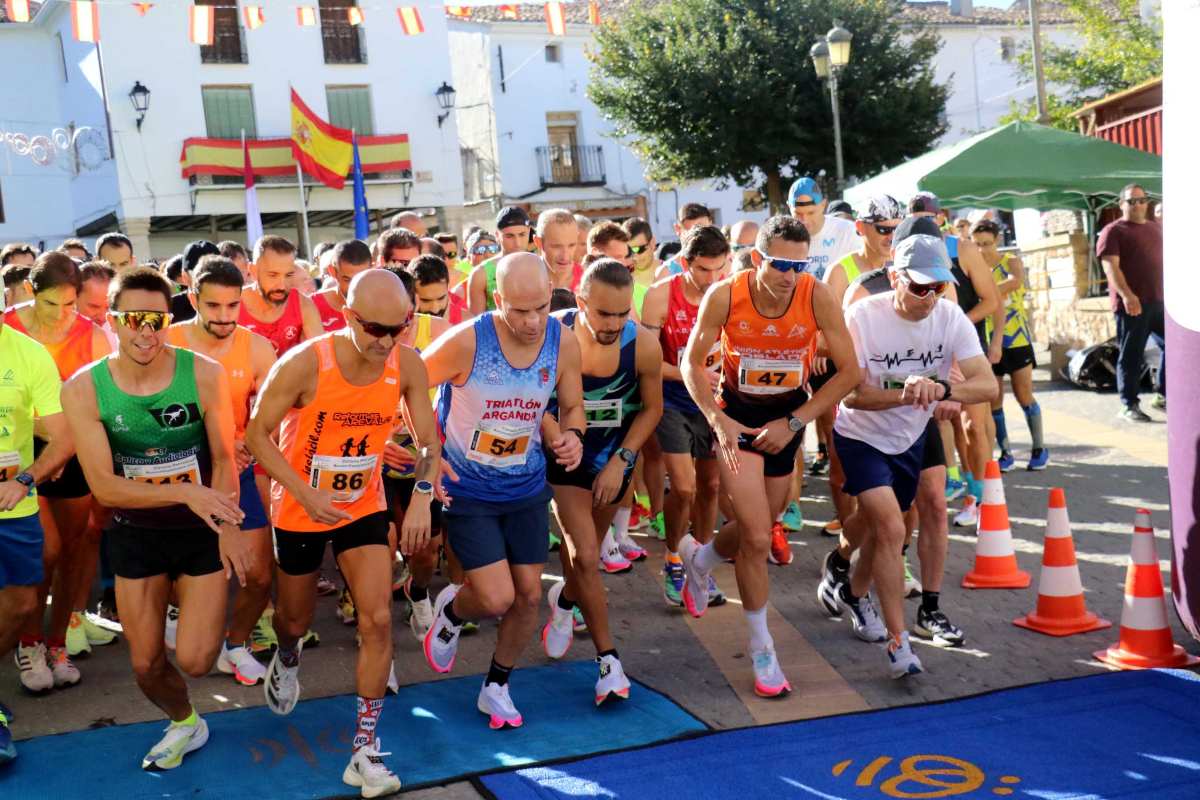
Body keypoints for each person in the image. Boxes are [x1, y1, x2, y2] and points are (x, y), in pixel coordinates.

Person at [247, 269, 439, 797]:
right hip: (299, 507)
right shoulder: (306, 362)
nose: (384, 341)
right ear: (349, 316)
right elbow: (256, 435)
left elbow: (428, 443)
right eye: (373, 328)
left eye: (396, 329)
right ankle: (287, 657)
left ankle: (365, 750)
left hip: (362, 504)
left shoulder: (407, 363)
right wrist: (304, 494)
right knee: (294, 618)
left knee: (377, 619)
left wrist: (421, 494)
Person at [61, 266, 251, 769]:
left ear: (171, 318)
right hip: (136, 534)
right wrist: (188, 491)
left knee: (195, 660)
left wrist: (229, 524)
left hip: (199, 531)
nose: (146, 332)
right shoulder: (85, 388)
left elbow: (226, 459)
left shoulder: (203, 373)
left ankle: (182, 611)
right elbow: (103, 485)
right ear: (115, 321)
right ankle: (187, 721)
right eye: (133, 319)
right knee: (145, 666)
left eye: (157, 320)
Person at [680, 216, 858, 696]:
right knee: (758, 538)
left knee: (767, 520)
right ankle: (762, 647)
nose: (789, 276)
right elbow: (689, 361)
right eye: (780, 264)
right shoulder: (726, 296)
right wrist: (718, 421)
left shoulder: (815, 294)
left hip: (786, 420)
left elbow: (849, 371)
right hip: (737, 417)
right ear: (758, 258)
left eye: (799, 266)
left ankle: (700, 561)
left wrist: (796, 423)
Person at [421, 252, 584, 730]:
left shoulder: (562, 340)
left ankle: (497, 687)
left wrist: (572, 437)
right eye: (520, 311)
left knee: (530, 596)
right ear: (497, 301)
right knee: (494, 599)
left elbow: (572, 405)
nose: (534, 321)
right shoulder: (468, 341)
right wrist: (426, 454)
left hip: (526, 484)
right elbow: (408, 388)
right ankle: (451, 610)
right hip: (468, 488)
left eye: (541, 307)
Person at [829, 235, 996, 677]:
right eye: (919, 287)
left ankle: (852, 588)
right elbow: (852, 396)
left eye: (937, 288)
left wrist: (944, 390)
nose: (928, 298)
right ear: (894, 277)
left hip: (911, 436)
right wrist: (906, 395)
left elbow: (987, 385)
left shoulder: (949, 315)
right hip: (861, 436)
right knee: (889, 525)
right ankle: (898, 644)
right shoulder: (862, 317)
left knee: (881, 526)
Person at [541, 259, 662, 702]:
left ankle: (565, 603)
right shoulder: (552, 334)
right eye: (602, 313)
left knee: (584, 557)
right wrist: (557, 436)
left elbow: (652, 409)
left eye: (622, 313)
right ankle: (609, 663)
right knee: (588, 555)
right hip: (565, 457)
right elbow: (531, 397)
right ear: (580, 301)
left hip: (615, 457)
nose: (612, 324)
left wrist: (623, 460)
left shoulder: (644, 345)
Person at [167, 256, 277, 686]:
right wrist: (221, 437)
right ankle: (187, 625)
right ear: (194, 298)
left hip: (237, 472)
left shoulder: (257, 348)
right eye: (213, 307)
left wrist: (245, 439)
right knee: (186, 570)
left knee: (258, 573)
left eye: (233, 306)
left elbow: (272, 413)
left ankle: (236, 642)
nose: (225, 317)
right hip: (179, 474)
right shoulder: (168, 342)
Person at [5, 254, 112, 690]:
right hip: (20, 453)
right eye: (53, 304)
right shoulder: (8, 327)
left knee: (74, 548)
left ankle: (57, 641)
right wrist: (44, 427)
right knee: (44, 550)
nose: (63, 316)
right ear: (31, 292)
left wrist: (74, 436)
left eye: (71, 305)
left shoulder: (93, 337)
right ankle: (27, 643)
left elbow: (103, 400)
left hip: (74, 452)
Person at [0, 289, 74, 764]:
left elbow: (63, 434)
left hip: (11, 504)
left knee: (25, 603)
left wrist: (26, 479)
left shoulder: (27, 353)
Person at [804, 196, 902, 542]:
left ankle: (891, 545)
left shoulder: (905, 266)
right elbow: (823, 329)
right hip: (846, 376)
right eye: (882, 229)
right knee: (841, 463)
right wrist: (824, 347)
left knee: (899, 465)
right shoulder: (841, 270)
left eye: (895, 228)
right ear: (861, 228)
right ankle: (850, 542)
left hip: (893, 375)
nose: (890, 236)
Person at [639, 226, 728, 607]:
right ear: (685, 263)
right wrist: (690, 374)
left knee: (710, 487)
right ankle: (674, 557)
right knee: (686, 487)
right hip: (672, 399)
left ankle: (701, 563)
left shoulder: (729, 293)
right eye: (704, 270)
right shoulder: (661, 296)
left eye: (719, 269)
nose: (712, 279)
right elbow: (646, 362)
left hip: (715, 402)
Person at [909, 194, 998, 528]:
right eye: (917, 217)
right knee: (945, 423)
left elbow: (992, 300)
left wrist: (957, 324)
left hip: (966, 345)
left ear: (941, 217)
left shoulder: (962, 249)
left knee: (974, 424)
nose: (925, 223)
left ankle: (982, 497)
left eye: (930, 217)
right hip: (931, 351)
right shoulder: (908, 253)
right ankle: (958, 482)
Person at [380, 267, 451, 640]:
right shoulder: (357, 338)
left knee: (425, 551)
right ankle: (372, 624)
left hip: (423, 454)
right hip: (375, 456)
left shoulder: (438, 333)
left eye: (403, 316)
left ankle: (419, 591)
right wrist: (375, 444)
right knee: (384, 543)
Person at [973, 219, 1048, 471]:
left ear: (997, 241)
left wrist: (985, 289)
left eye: (987, 243)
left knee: (1023, 393)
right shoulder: (973, 267)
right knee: (994, 398)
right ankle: (1006, 453)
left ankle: (1039, 448)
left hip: (1016, 339)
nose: (983, 249)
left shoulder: (1010, 261)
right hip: (986, 340)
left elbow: (1015, 282)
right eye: (978, 244)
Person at [1098, 183, 1164, 421]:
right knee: (1132, 355)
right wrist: (1127, 295)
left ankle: (1164, 395)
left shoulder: (1156, 229)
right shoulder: (1114, 231)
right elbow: (1110, 267)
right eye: (1131, 201)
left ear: (1148, 203)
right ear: (1121, 204)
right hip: (1133, 305)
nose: (1137, 205)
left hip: (1160, 301)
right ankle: (1129, 404)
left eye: (1141, 200)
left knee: (1173, 347)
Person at [238, 236, 323, 357]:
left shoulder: (302, 305)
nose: (282, 286)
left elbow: (323, 355)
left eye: (288, 275)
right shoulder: (233, 304)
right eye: (273, 275)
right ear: (253, 271)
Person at [786, 177, 859, 281]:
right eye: (798, 214)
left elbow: (861, 275)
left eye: (811, 213)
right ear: (789, 207)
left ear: (823, 205)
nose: (805, 219)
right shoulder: (783, 238)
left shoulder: (848, 231)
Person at [467, 206, 533, 315]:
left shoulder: (540, 266)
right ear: (497, 235)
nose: (517, 243)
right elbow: (476, 323)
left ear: (529, 231)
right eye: (509, 236)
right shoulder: (480, 274)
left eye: (522, 235)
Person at [311, 240, 375, 332]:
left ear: (372, 271)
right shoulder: (312, 305)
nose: (354, 288)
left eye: (361, 279)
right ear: (332, 272)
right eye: (347, 280)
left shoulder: (384, 304)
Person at [654, 204, 714, 280]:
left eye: (704, 231)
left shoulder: (726, 264)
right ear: (677, 229)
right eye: (691, 233)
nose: (699, 237)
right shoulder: (666, 272)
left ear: (711, 225)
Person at [535, 208, 585, 294]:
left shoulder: (589, 282)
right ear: (538, 242)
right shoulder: (524, 281)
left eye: (571, 245)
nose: (565, 256)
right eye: (556, 246)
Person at [169, 241, 221, 323]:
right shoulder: (170, 309)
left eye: (215, 271)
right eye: (200, 273)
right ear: (185, 276)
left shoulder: (236, 303)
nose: (209, 279)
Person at [411, 255, 467, 323]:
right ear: (411, 295)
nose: (435, 309)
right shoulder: (399, 326)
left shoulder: (467, 323)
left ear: (448, 288)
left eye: (441, 298)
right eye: (425, 301)